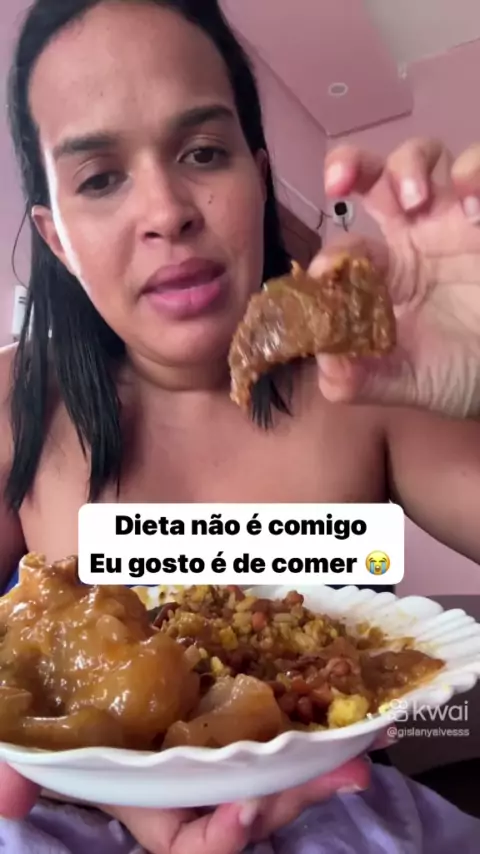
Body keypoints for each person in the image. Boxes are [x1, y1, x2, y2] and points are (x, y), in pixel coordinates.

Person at [0, 0, 479, 852]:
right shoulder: (15, 402)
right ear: (56, 238)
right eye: (100, 177)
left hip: (345, 819)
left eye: (202, 152)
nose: (167, 210)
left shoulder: (370, 387)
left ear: (259, 177)